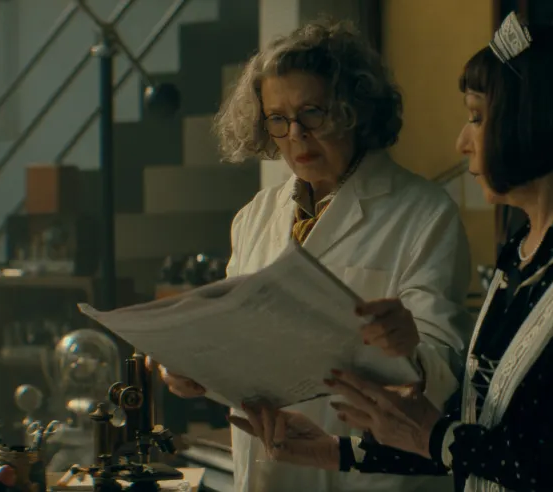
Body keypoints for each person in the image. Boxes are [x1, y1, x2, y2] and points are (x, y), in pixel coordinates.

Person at [228, 14, 553, 492]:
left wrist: (436, 434)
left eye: (477, 118)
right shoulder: (524, 252)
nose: (462, 142)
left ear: (534, 121)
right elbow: (480, 425)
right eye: (278, 119)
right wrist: (338, 451)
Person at [155, 19, 472, 492]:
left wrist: (409, 347)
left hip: (368, 475)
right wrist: (189, 366)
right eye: (277, 119)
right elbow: (231, 336)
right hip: (267, 468)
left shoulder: (425, 213)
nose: (296, 135)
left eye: (313, 113)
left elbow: (446, 370)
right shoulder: (254, 216)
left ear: (354, 109)